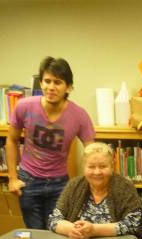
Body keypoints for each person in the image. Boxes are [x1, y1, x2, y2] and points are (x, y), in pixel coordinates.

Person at [6, 56, 95, 229]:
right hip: (28, 181)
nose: (51, 87)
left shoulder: (79, 115)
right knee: (36, 233)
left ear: (68, 87)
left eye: (58, 82)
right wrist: (12, 178)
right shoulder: (24, 107)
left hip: (59, 184)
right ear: (41, 83)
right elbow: (11, 140)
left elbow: (92, 152)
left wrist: (91, 184)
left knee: (58, 233)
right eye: (47, 81)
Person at [48, 142, 142, 239]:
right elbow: (54, 219)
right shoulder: (74, 185)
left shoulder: (124, 187)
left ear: (112, 167)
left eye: (103, 166)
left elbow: (135, 223)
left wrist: (94, 230)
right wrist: (73, 230)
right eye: (91, 167)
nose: (97, 172)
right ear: (84, 168)